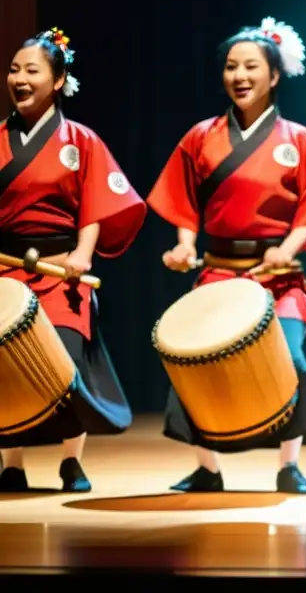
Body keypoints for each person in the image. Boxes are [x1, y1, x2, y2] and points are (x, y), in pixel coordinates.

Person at [147, 17, 306, 494]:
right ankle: (207, 468)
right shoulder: (201, 136)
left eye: (251, 66)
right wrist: (184, 245)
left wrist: (286, 250)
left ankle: (289, 465)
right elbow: (183, 200)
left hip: (278, 277)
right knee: (193, 362)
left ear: (274, 76)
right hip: (219, 273)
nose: (239, 75)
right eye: (232, 66)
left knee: (292, 362)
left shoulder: (298, 139)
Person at [0, 27, 145, 492]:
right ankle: (13, 464)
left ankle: (71, 461)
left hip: (61, 269)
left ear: (58, 80)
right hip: (5, 272)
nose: (19, 78)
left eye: (32, 70)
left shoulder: (80, 140)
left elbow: (96, 203)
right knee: (5, 366)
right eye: (15, 69)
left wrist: (83, 254)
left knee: (66, 360)